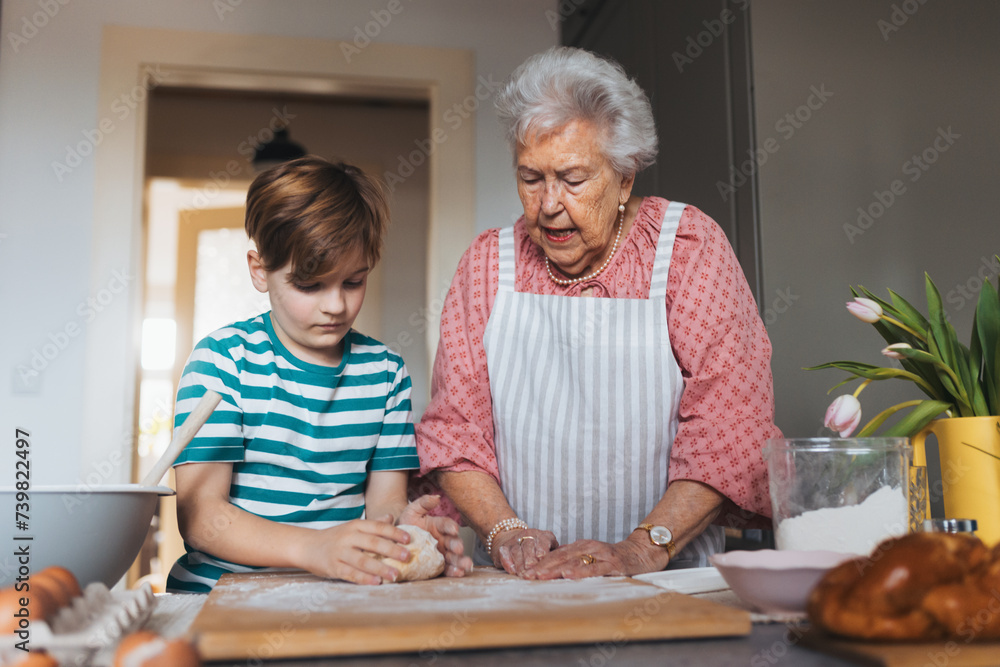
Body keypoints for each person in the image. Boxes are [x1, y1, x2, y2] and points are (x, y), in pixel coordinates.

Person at [416, 47, 783, 579]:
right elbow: (456, 433)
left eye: (572, 178)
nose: (548, 204)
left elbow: (730, 431)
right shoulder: (486, 265)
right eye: (531, 177)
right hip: (517, 582)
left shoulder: (685, 250)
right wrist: (505, 533)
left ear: (625, 177)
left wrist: (642, 548)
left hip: (666, 581)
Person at [167, 156, 472, 593]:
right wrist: (314, 548)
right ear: (260, 271)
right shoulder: (222, 362)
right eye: (309, 286)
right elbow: (201, 519)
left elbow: (384, 501)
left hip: (333, 598)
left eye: (353, 282)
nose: (335, 305)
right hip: (218, 597)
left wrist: (403, 532)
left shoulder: (385, 374)